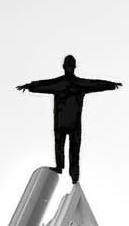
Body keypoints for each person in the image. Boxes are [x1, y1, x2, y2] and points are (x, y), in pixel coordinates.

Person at [16, 55, 122, 184]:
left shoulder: (61, 84)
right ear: (73, 67)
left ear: (64, 67)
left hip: (63, 122)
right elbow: (95, 84)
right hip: (72, 123)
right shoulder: (78, 84)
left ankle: (64, 169)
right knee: (73, 149)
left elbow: (44, 85)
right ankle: (71, 174)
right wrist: (111, 85)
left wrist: (29, 86)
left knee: (64, 146)